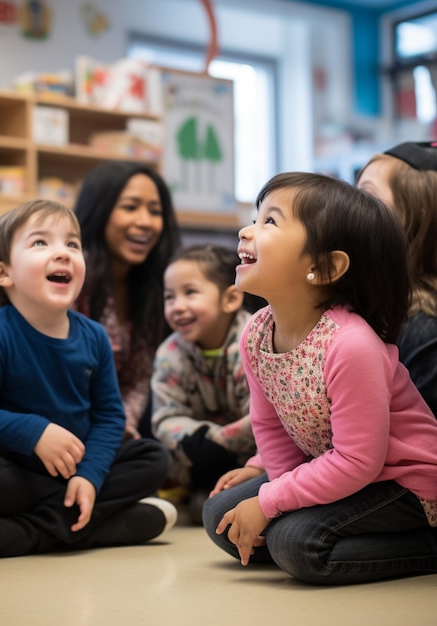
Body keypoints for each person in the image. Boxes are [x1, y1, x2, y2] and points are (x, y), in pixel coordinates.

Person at [202, 172, 437, 584]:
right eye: (256, 218)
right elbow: (269, 426)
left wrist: (272, 501)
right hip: (344, 473)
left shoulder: (351, 345)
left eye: (269, 222)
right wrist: (274, 485)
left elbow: (358, 460)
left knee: (295, 543)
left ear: (324, 266)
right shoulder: (257, 332)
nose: (246, 230)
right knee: (221, 515)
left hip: (407, 484)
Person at [0, 199, 177, 562]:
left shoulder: (95, 336)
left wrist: (89, 476)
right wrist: (36, 433)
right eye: (41, 243)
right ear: (3, 273)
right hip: (19, 471)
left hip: (78, 469)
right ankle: (99, 524)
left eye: (72, 244)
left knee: (153, 457)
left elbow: (109, 418)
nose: (63, 253)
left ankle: (18, 533)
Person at [74, 161, 181, 439]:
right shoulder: (69, 277)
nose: (145, 222)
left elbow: (141, 378)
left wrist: (121, 426)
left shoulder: (157, 284)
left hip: (122, 425)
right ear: (100, 211)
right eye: (130, 207)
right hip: (65, 420)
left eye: (155, 211)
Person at [151, 245, 255, 524]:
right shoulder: (170, 353)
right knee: (153, 453)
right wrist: (202, 435)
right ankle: (187, 498)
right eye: (169, 297)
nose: (177, 306)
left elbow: (263, 418)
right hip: (197, 452)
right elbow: (165, 418)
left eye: (190, 292)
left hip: (251, 454)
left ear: (230, 299)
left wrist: (223, 439)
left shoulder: (254, 343)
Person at [356, 141, 437, 418]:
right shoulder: (366, 303)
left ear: (414, 218)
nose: (349, 209)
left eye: (366, 197)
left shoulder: (425, 331)